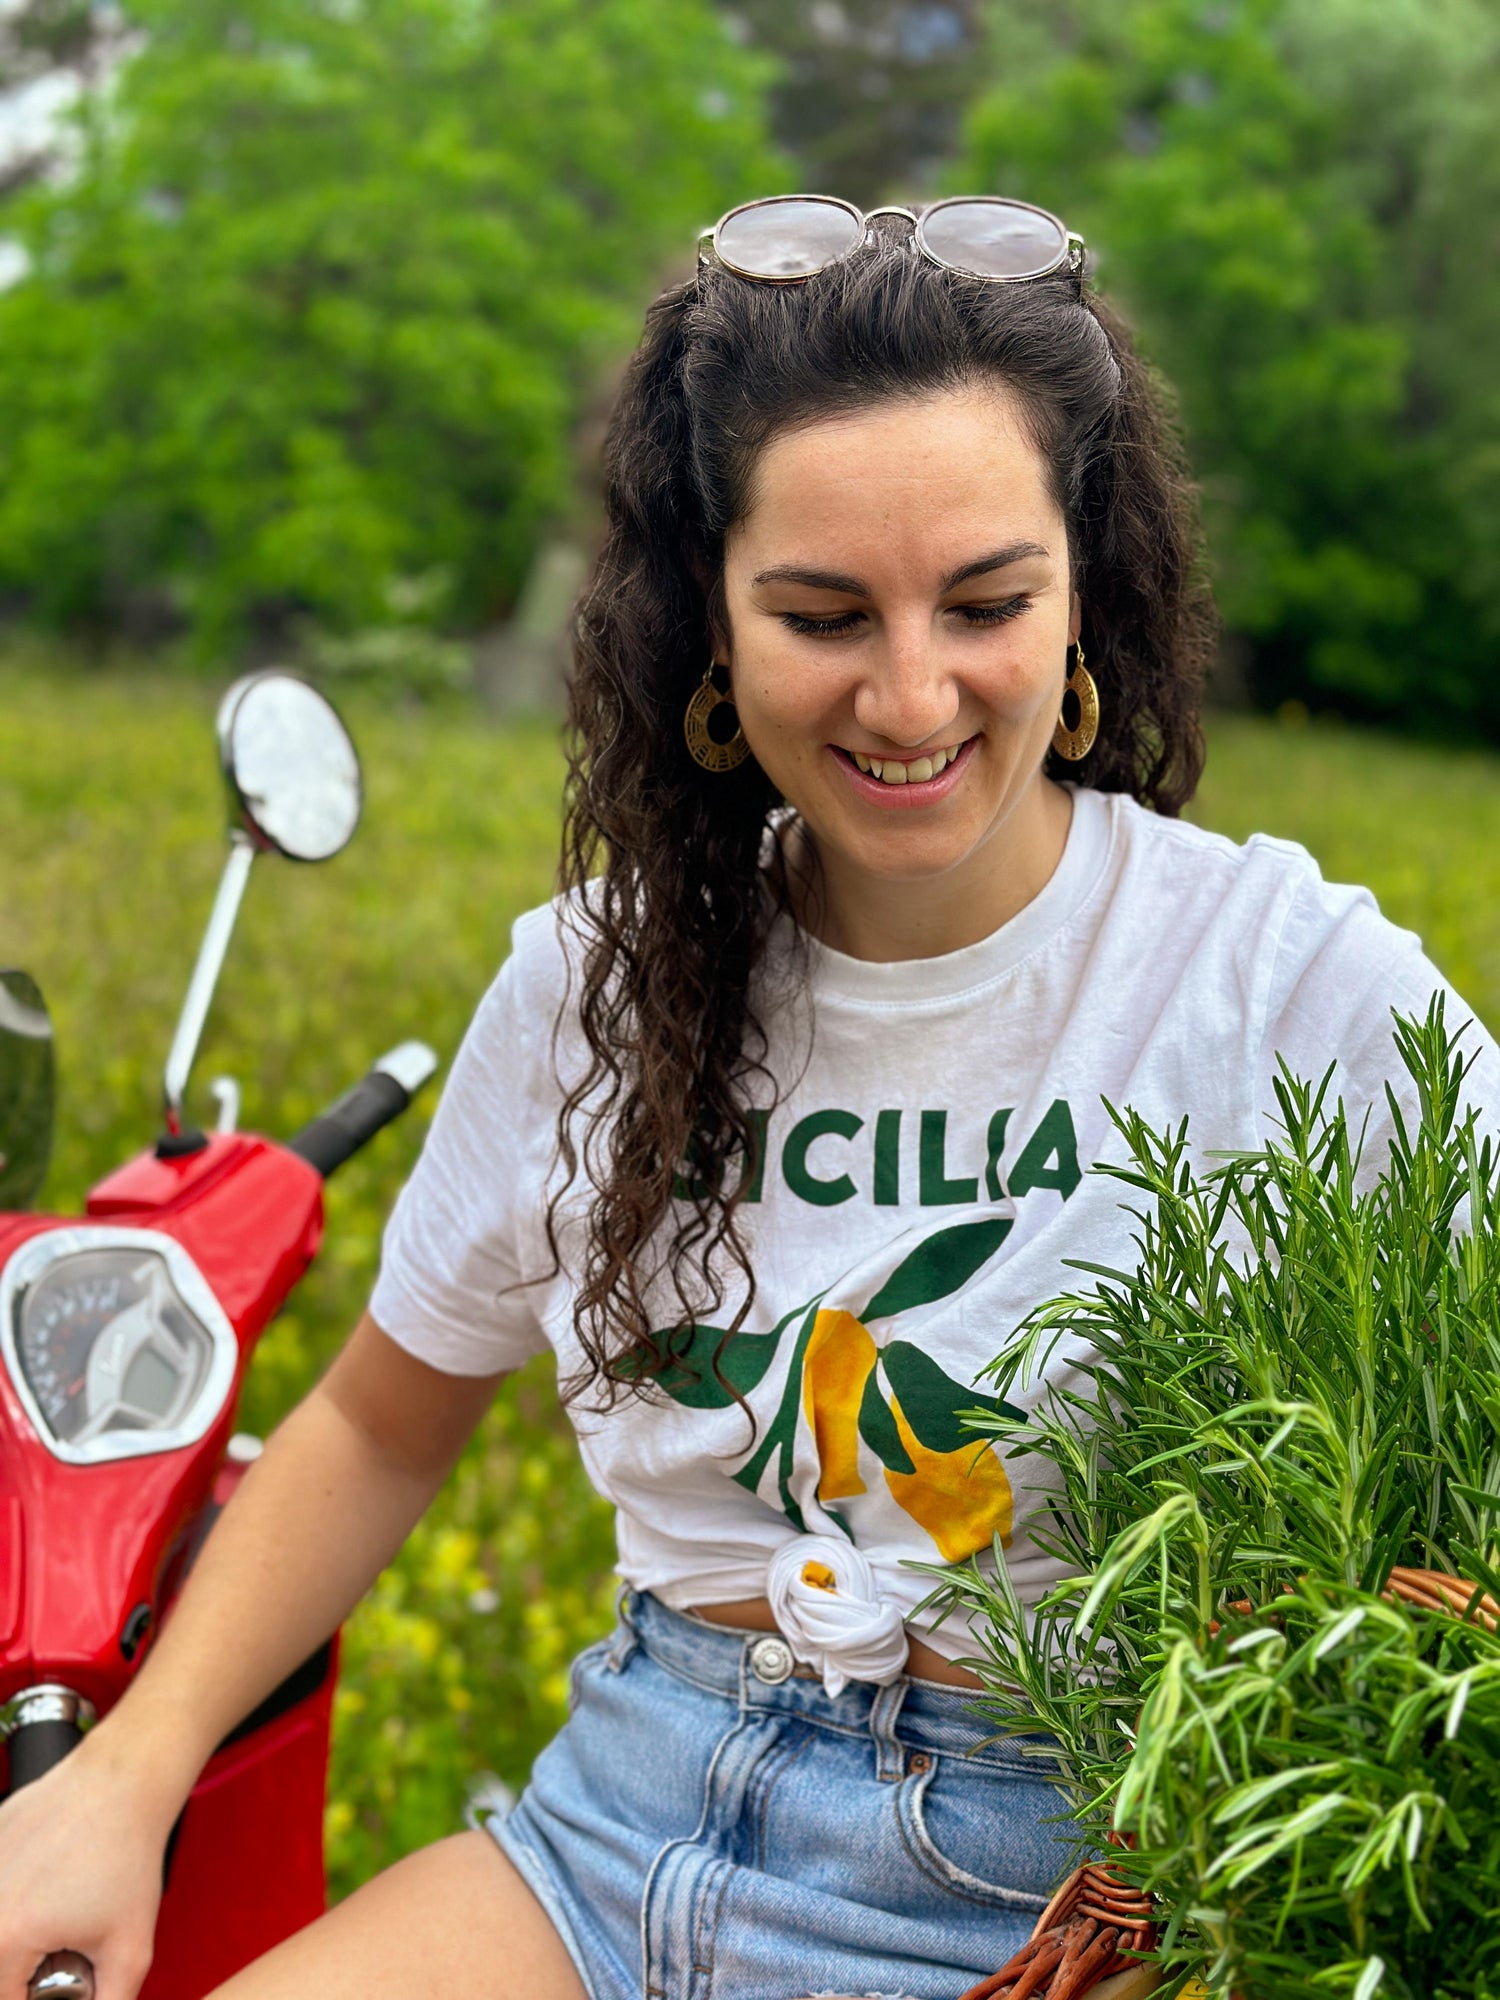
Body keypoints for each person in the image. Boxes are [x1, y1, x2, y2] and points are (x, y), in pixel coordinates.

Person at [2, 194, 1497, 2000]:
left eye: (988, 601)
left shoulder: (1276, 978)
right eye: (821, 612)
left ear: (1084, 588)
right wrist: (121, 1777)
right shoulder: (596, 976)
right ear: (707, 616)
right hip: (626, 1819)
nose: (911, 690)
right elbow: (384, 1426)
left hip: (1060, 1889)